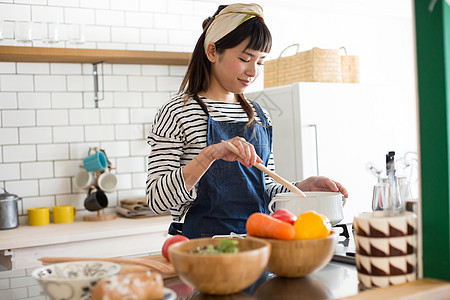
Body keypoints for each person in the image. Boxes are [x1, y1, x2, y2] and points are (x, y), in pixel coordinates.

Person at [146, 3, 348, 239]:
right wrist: (209, 155)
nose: (253, 71)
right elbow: (157, 200)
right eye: (245, 58)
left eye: (260, 62)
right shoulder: (177, 113)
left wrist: (302, 187)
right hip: (203, 252)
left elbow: (264, 190)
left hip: (260, 246)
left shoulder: (259, 115)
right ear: (212, 52)